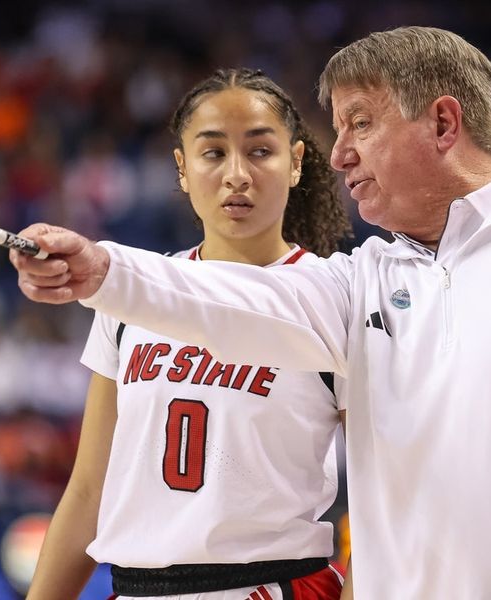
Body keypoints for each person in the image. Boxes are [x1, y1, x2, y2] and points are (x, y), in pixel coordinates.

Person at [11, 27, 491, 599]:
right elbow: (232, 295)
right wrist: (103, 268)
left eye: (360, 122)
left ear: (444, 122)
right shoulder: (360, 282)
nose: (342, 152)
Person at [24, 68, 350, 600]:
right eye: (214, 152)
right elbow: (88, 491)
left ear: (295, 163)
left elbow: (379, 504)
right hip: (134, 587)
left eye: (261, 152)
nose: (237, 174)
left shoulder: (336, 298)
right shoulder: (130, 299)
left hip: (271, 585)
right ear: (182, 168)